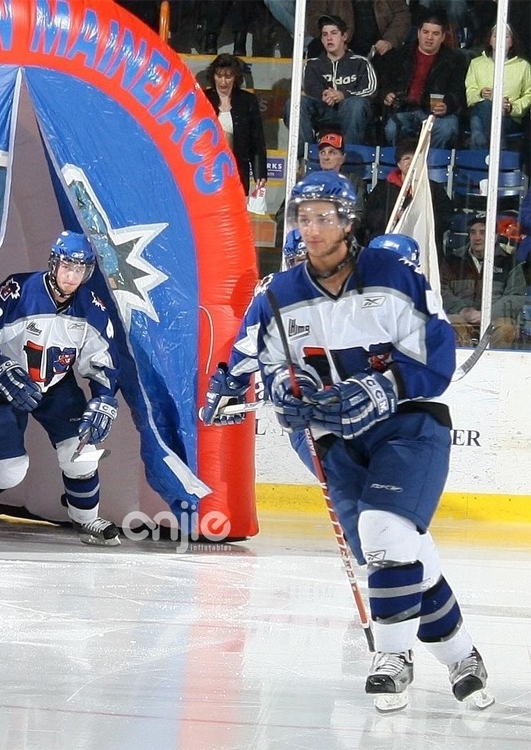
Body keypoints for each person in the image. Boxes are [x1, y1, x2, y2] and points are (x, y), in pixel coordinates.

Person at [201, 171, 493, 713]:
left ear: (348, 221)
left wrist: (385, 387)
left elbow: (436, 352)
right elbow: (264, 361)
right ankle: (462, 658)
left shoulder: (392, 275)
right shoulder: (279, 295)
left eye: (324, 217)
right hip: (337, 441)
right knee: (401, 556)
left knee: (385, 533)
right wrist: (280, 395)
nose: (312, 229)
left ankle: (392, 657)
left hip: (408, 426)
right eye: (303, 218)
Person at [0, 231, 121, 546]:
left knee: (82, 455)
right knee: (8, 472)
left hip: (56, 387)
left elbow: (102, 362)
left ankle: (86, 520)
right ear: (54, 263)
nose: (72, 276)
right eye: (67, 267)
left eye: (80, 270)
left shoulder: (92, 307)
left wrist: (104, 397)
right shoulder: (18, 290)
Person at [284, 14, 377, 156]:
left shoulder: (360, 62)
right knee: (295, 103)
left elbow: (370, 89)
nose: (329, 38)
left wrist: (343, 95)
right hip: (323, 109)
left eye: (334, 33)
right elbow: (310, 89)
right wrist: (327, 95)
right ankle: (303, 156)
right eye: (324, 35)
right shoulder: (312, 64)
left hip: (352, 112)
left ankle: (350, 157)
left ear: (344, 36)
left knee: (356, 105)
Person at [380, 10, 467, 148]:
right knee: (391, 128)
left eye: (435, 33)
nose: (429, 37)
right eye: (425, 32)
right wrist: (387, 94)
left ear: (443, 37)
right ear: (418, 33)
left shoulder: (455, 60)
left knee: (446, 129)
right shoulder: (400, 55)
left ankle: (431, 165)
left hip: (436, 115)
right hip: (404, 109)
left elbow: (459, 91)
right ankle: (402, 164)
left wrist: (447, 104)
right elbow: (386, 83)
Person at [440, 214, 527, 347]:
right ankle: (458, 367)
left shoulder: (510, 262)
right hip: (461, 316)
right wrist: (462, 310)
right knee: (449, 326)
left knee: (505, 329)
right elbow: (442, 290)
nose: (477, 237)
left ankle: (497, 367)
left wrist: (487, 313)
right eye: (473, 232)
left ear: (495, 236)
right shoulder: (452, 260)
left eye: (483, 232)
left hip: (495, 317)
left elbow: (515, 297)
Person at [364, 137, 454, 249]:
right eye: (407, 158)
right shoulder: (383, 187)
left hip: (422, 245)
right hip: (388, 244)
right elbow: (370, 216)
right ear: (399, 164)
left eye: (417, 158)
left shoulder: (435, 189)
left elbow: (446, 218)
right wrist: (393, 215)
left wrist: (418, 219)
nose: (412, 162)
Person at [204, 53, 267, 195]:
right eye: (219, 76)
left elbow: (257, 141)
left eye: (228, 77)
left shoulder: (248, 101)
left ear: (236, 77)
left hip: (237, 170)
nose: (223, 82)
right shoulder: (203, 98)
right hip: (207, 169)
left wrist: (259, 173)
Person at [465, 23, 531, 150]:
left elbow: (528, 95)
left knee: (477, 126)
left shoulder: (523, 66)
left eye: (505, 36)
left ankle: (481, 163)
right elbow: (470, 93)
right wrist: (481, 94)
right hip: (480, 110)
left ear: (512, 42)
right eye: (496, 36)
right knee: (484, 107)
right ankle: (500, 151)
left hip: (508, 118)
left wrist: (511, 107)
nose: (500, 39)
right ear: (490, 40)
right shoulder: (476, 64)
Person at [304, 0, 412, 75]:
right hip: (343, 46)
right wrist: (337, 38)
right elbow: (314, 18)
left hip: (379, 48)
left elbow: (402, 15)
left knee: (399, 59)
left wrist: (389, 41)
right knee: (316, 49)